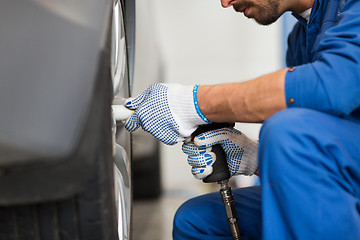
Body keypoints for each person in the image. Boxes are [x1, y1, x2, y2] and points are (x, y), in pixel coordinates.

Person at [125, 0, 360, 239]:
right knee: (196, 220)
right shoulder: (300, 39)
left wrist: (192, 102)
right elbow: (325, 145)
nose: (225, 2)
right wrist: (254, 157)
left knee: (286, 132)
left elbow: (335, 85)